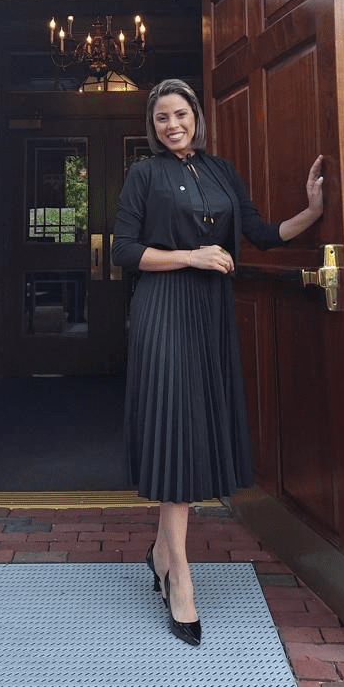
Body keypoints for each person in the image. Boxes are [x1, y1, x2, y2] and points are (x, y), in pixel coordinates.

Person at [111, 78, 324, 647]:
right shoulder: (144, 175)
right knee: (176, 429)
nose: (172, 125)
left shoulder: (222, 172)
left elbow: (260, 234)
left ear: (196, 118)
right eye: (161, 118)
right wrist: (193, 256)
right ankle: (179, 575)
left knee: (193, 430)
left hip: (209, 315)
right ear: (153, 126)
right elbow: (124, 250)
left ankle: (161, 554)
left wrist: (312, 211)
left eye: (180, 114)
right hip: (163, 312)